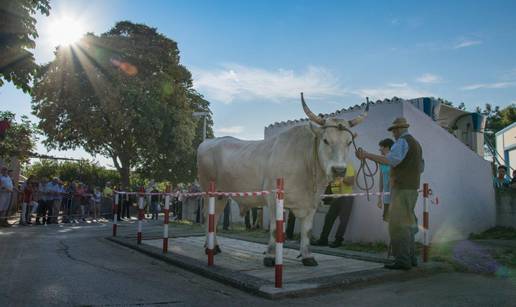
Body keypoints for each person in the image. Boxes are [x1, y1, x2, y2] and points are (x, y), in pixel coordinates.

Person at [356, 117, 424, 270]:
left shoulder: (402, 142)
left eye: (394, 130)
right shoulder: (416, 144)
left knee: (397, 226)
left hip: (401, 189)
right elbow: (421, 167)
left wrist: (367, 155)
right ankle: (411, 258)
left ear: (399, 129)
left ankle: (402, 261)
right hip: (412, 189)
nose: (393, 134)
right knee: (407, 225)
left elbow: (391, 160)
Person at [312, 162, 356, 248]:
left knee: (343, 220)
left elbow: (351, 181)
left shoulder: (349, 166)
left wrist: (340, 177)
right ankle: (323, 239)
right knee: (329, 217)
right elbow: (330, 182)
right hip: (336, 196)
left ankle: (338, 240)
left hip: (347, 196)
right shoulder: (332, 169)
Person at [378, 138, 395, 222]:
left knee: (395, 221)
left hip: (395, 197)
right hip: (387, 197)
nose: (380, 150)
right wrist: (379, 198)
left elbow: (393, 180)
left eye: (381, 148)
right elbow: (381, 181)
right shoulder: (381, 162)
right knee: (387, 219)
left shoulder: (394, 160)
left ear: (387, 148)